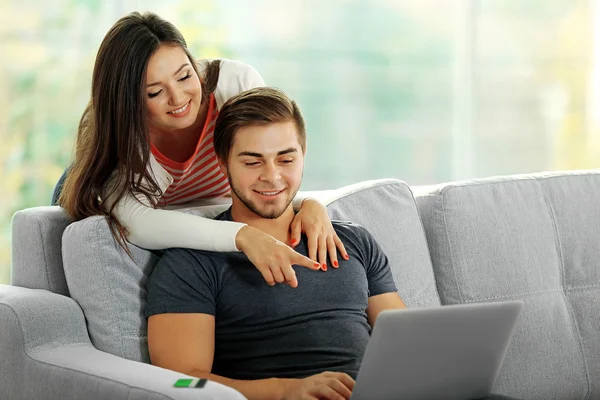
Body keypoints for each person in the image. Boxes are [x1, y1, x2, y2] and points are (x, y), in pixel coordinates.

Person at [145, 87, 407, 400]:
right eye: (253, 162)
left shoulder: (353, 240)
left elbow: (408, 345)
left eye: (285, 159)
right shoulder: (191, 261)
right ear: (222, 163)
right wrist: (284, 391)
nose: (272, 177)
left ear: (303, 156)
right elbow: (179, 382)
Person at [55, 11, 348, 286]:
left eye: (185, 76)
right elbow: (139, 225)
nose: (178, 97)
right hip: (129, 201)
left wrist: (310, 204)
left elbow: (272, 172)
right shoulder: (121, 139)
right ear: (127, 102)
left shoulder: (234, 85)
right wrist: (242, 235)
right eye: (155, 92)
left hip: (208, 211)